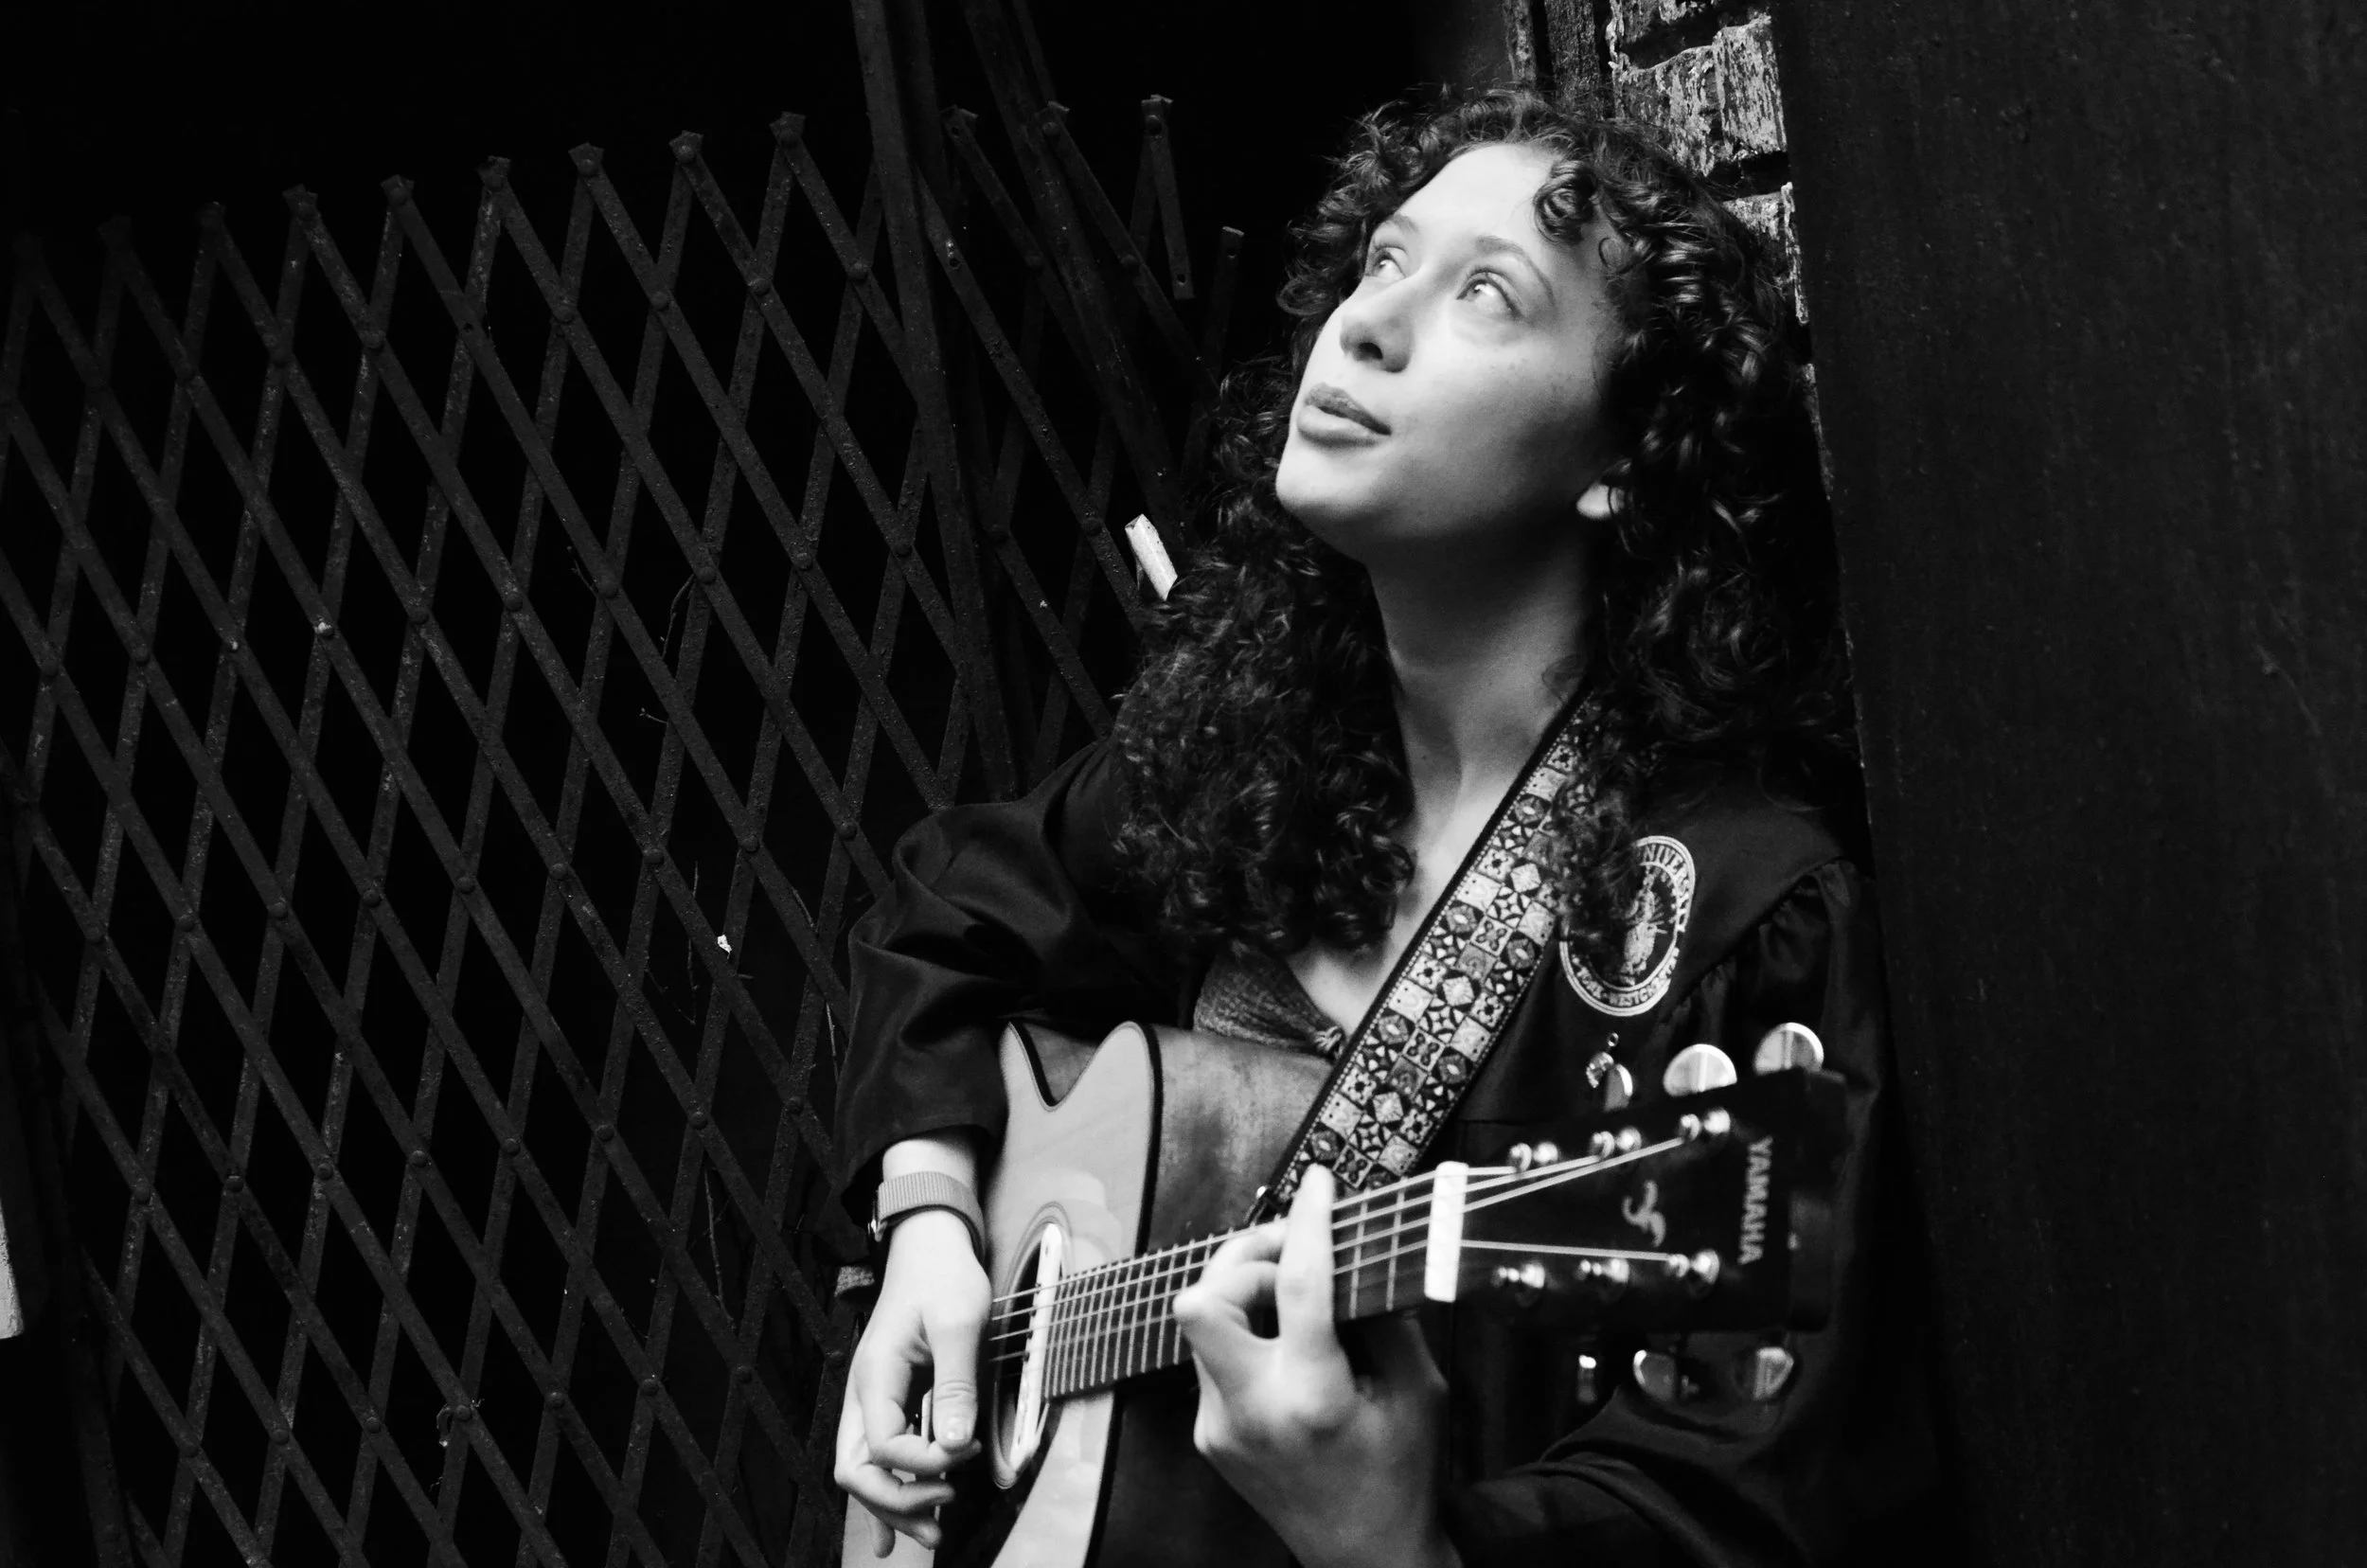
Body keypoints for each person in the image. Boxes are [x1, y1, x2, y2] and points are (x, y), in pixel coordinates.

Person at [830, 87, 1944, 1567]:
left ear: (1626, 456)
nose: (1365, 327)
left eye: (1487, 294)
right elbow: (950, 914)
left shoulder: (1746, 915)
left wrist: (1394, 1544)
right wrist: (926, 1231)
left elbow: (1746, 1508)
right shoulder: (1250, 759)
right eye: (1382, 261)